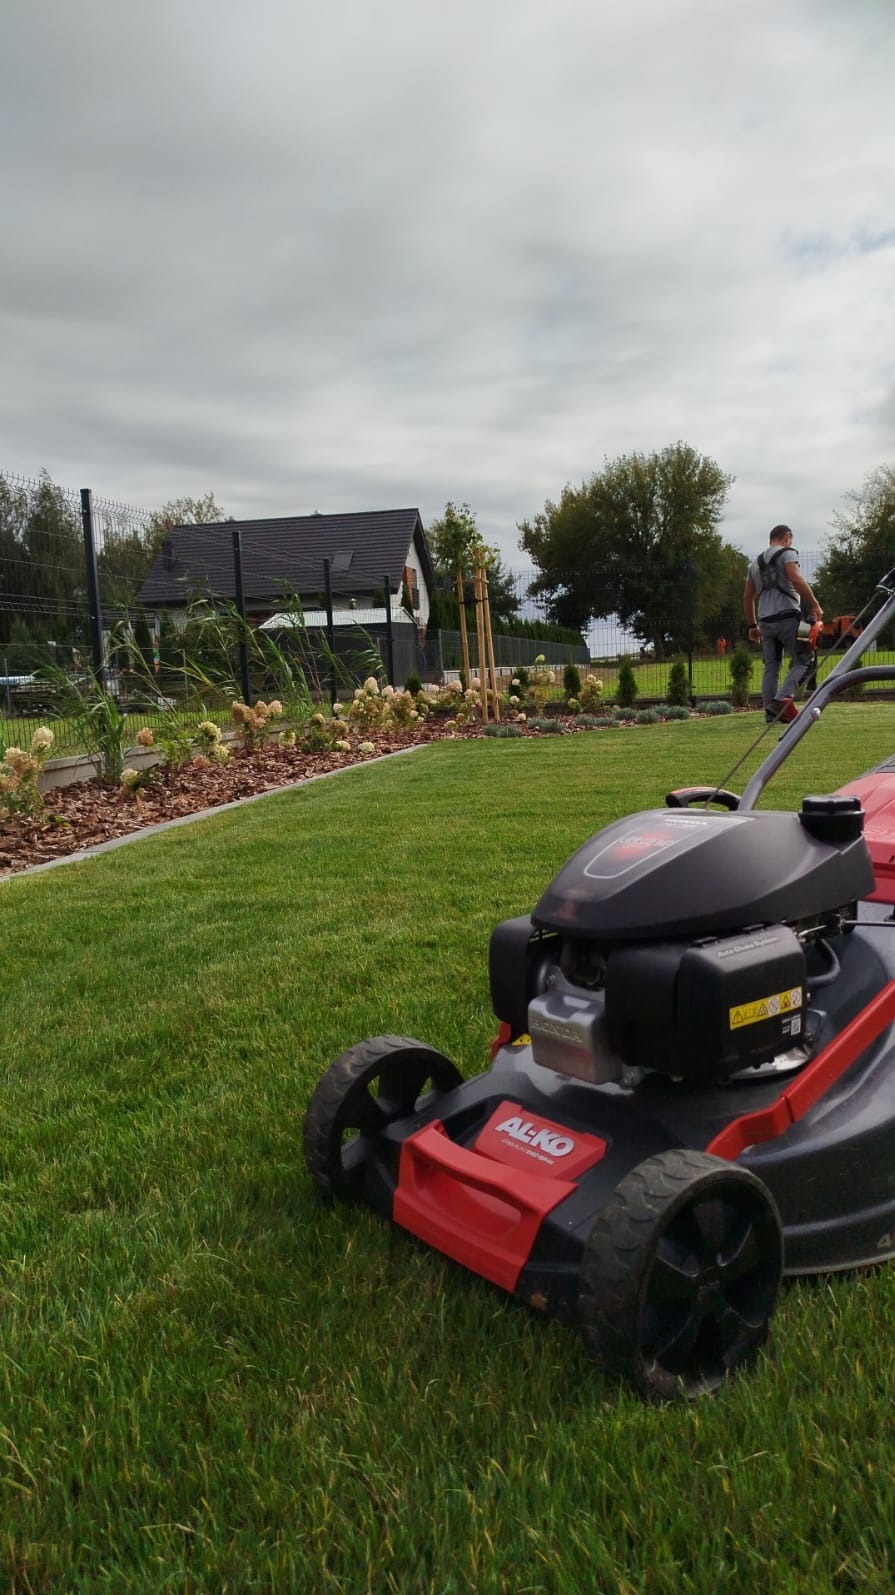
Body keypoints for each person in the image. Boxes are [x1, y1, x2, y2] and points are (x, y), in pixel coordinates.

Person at [743, 524, 823, 723]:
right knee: (805, 659)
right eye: (790, 540)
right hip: (789, 616)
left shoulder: (754, 565)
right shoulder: (788, 554)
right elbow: (796, 579)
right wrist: (815, 605)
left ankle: (771, 712)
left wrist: (753, 626)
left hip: (765, 620)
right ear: (786, 538)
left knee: (771, 666)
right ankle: (779, 702)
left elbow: (747, 597)